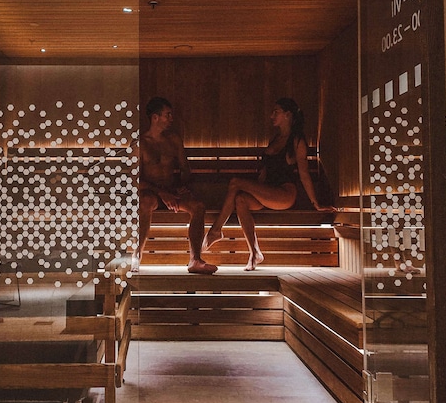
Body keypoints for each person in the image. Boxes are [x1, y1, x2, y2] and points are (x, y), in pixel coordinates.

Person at [202, 97, 333, 271]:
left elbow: (304, 174)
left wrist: (315, 203)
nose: (272, 116)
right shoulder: (276, 139)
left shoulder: (297, 141)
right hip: (267, 192)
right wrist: (256, 189)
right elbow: (265, 173)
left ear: (288, 115)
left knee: (235, 182)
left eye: (276, 112)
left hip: (284, 194)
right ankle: (255, 252)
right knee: (240, 199)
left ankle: (216, 230)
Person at [137, 97, 218, 275]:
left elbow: (185, 169)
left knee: (198, 206)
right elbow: (134, 179)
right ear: (155, 117)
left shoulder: (173, 140)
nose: (171, 118)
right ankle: (137, 255)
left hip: (172, 192)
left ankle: (195, 259)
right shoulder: (140, 144)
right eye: (168, 115)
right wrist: (161, 193)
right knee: (145, 202)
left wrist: (181, 186)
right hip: (151, 193)